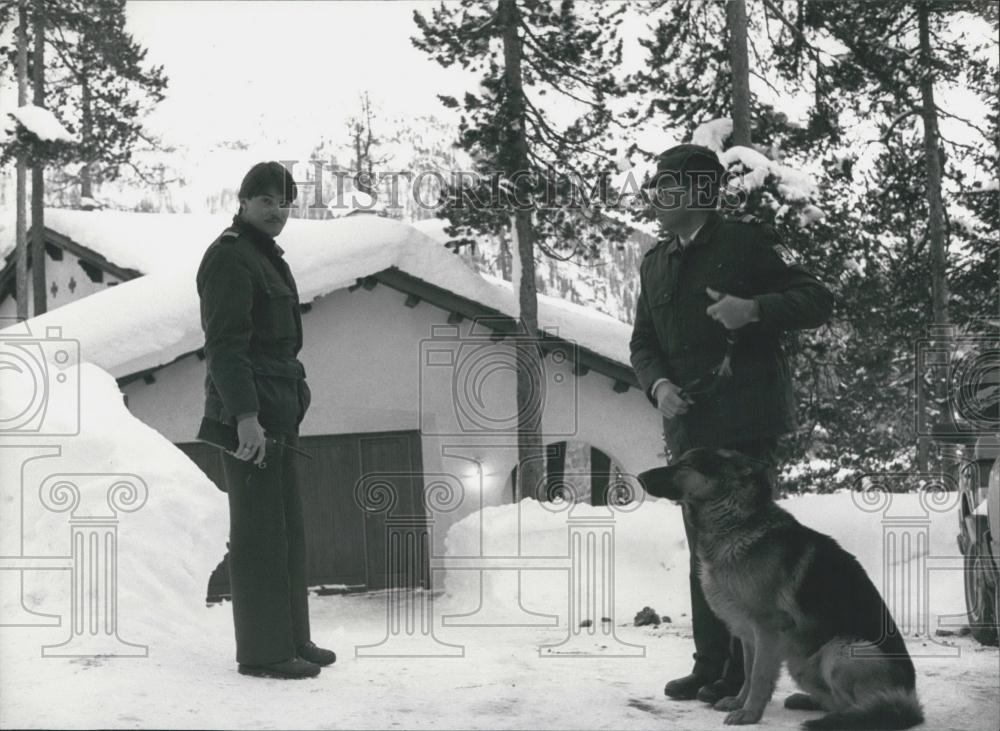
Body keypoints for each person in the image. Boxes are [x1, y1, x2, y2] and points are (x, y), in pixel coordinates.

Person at [629, 144, 834, 705]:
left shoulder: (743, 243)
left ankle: (748, 675)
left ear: (698, 192)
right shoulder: (656, 261)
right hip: (690, 436)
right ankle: (712, 667)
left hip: (743, 428)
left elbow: (817, 299)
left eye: (667, 188)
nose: (655, 199)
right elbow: (643, 341)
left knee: (747, 555)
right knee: (706, 555)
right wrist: (659, 386)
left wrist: (756, 309)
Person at [196, 161, 336, 679]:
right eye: (267, 201)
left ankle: (293, 637)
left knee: (287, 532)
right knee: (258, 537)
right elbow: (225, 346)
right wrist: (245, 418)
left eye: (285, 203)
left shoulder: (267, 258)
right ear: (244, 201)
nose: (277, 211)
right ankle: (262, 653)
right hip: (250, 421)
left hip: (278, 413)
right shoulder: (230, 258)